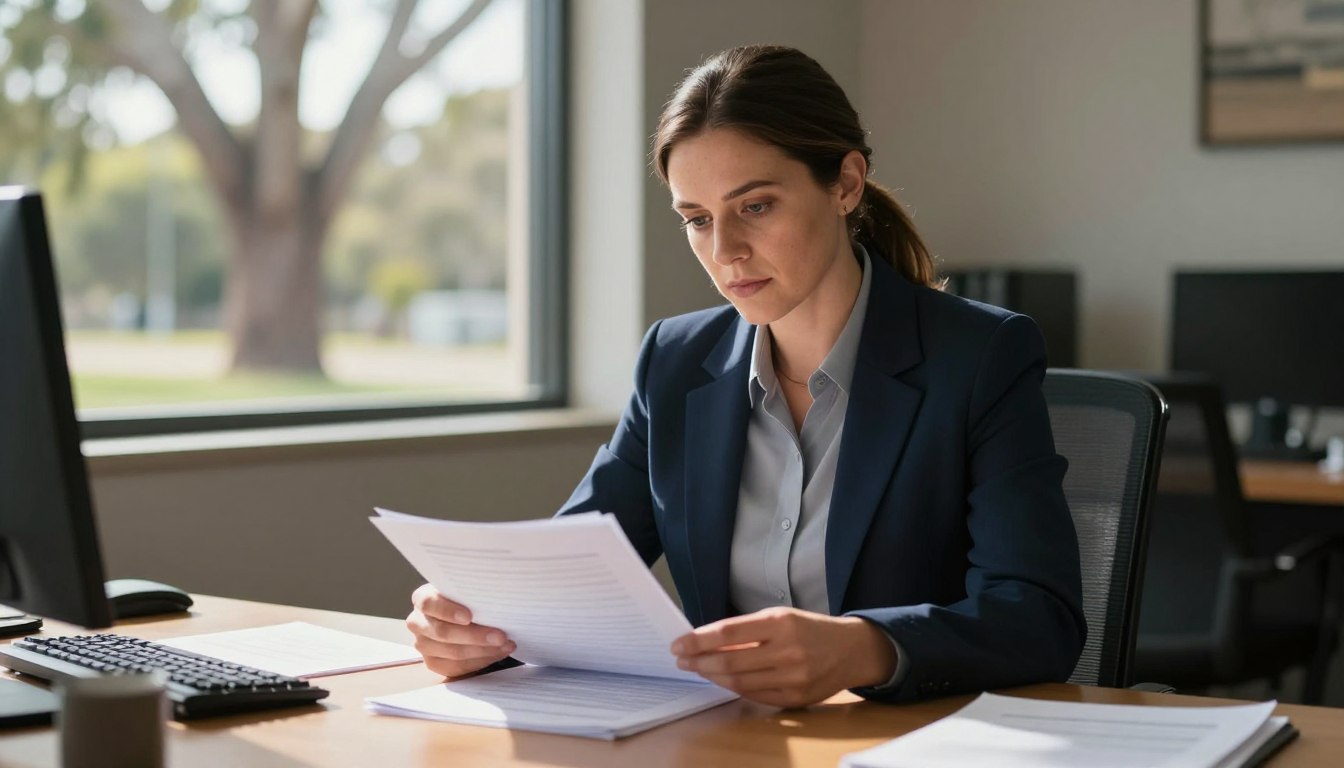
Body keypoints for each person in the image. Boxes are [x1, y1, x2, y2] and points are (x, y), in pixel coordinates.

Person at [407, 44, 1085, 707]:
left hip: (904, 743)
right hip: (726, 742)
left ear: (846, 184)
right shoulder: (674, 362)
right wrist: (478, 627)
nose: (725, 251)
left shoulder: (980, 354)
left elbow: (1037, 616)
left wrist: (862, 648)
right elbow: (570, 578)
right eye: (698, 220)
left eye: (755, 206)